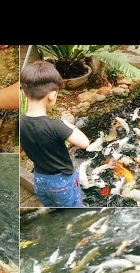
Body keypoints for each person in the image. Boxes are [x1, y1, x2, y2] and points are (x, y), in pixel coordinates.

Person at [19, 60, 90, 207]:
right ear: (52, 95)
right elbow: (85, 143)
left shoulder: (20, 123)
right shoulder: (56, 126)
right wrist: (68, 125)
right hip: (61, 182)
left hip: (39, 180)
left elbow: (22, 152)